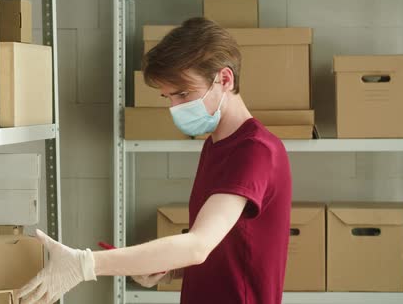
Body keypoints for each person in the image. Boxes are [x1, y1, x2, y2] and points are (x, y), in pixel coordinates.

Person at [16, 17, 292, 304]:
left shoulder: (254, 151)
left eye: (183, 94)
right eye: (168, 97)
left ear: (225, 79)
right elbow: (230, 249)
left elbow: (198, 245)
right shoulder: (217, 145)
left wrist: (85, 264)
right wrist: (170, 268)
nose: (175, 107)